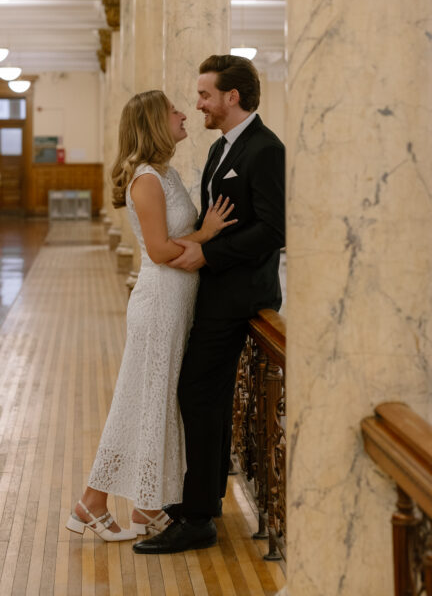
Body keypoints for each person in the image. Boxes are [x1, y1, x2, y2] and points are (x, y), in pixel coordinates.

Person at [66, 90, 236, 542]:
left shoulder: (167, 172)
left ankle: (139, 505)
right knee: (144, 401)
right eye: (173, 111)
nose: (184, 114)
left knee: (156, 402)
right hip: (160, 301)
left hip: (179, 300)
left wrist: (202, 238)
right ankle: (93, 502)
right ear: (154, 124)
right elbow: (160, 251)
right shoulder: (145, 179)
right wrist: (208, 233)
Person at [134, 54, 285, 554]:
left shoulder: (265, 149)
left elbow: (274, 228)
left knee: (197, 394)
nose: (197, 103)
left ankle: (196, 515)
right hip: (215, 294)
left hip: (240, 297)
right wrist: (203, 244)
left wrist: (208, 252)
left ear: (231, 97)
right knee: (205, 398)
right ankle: (198, 502)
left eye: (203, 95)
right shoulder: (224, 147)